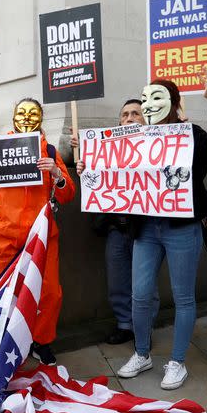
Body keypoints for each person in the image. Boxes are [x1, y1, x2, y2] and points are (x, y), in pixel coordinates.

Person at [116, 79, 207, 390]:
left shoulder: (190, 134)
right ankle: (142, 354)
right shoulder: (133, 138)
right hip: (147, 228)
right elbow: (111, 171)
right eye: (145, 98)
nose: (148, 104)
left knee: (183, 297)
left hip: (181, 227)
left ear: (174, 102)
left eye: (157, 97)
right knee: (139, 294)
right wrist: (91, 164)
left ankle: (177, 361)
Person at [0, 98, 76, 365]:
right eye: (20, 112)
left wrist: (57, 173)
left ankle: (41, 341)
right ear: (13, 116)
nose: (26, 117)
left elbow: (68, 193)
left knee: (49, 293)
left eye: (32, 113)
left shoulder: (49, 149)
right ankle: (2, 339)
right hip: (3, 232)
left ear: (41, 117)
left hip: (41, 234)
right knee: (0, 290)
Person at [72, 99, 161, 345]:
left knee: (145, 285)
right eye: (124, 115)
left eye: (136, 113)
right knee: (118, 281)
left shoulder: (157, 146)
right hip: (115, 227)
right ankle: (124, 325)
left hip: (145, 228)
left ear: (145, 119)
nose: (130, 118)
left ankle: (144, 329)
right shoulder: (107, 150)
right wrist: (86, 162)